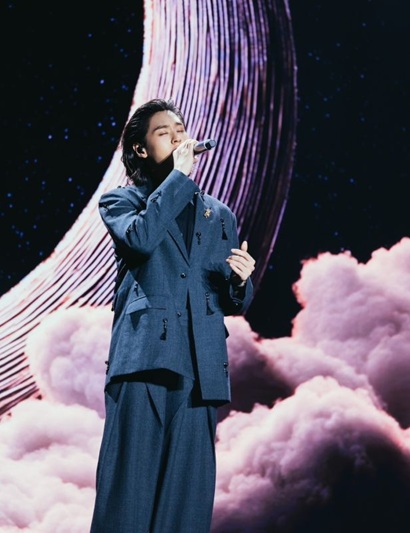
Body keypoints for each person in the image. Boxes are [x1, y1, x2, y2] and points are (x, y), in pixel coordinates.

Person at [90, 98, 255, 533]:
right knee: (128, 495)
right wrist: (179, 176)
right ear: (141, 149)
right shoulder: (122, 201)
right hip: (144, 361)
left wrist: (240, 282)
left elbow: (229, 300)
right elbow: (140, 240)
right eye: (165, 133)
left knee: (187, 505)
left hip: (201, 369)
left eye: (181, 130)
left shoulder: (219, 215)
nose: (179, 137)